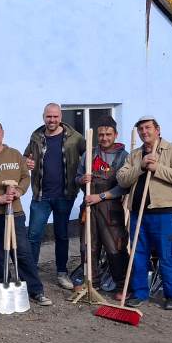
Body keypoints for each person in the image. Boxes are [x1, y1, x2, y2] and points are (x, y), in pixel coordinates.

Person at [0, 120, 51, 306]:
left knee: (22, 252)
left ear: (2, 133)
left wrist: (19, 191)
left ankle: (35, 290)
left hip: (14, 212)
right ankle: (2, 290)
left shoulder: (15, 154)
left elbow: (25, 176)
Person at [115, 115, 172, 309]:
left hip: (165, 213)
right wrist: (141, 167)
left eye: (148, 128)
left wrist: (157, 168)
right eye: (141, 129)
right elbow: (122, 179)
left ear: (157, 130)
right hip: (138, 213)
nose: (144, 132)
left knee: (168, 255)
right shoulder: (134, 155)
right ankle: (140, 293)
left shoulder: (171, 150)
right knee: (138, 255)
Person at [24, 103, 85, 290]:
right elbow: (26, 156)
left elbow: (88, 159)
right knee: (33, 235)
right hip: (41, 195)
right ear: (44, 117)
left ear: (60, 117)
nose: (52, 120)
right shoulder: (36, 137)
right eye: (49, 117)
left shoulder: (76, 138)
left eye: (55, 117)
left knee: (62, 235)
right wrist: (26, 161)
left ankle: (61, 272)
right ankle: (31, 274)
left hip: (65, 195)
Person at [74, 116, 129, 291]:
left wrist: (102, 196)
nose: (104, 138)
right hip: (89, 208)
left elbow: (124, 186)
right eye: (101, 135)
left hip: (110, 209)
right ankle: (92, 282)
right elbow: (76, 178)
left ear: (116, 135)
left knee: (115, 247)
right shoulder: (89, 155)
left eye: (108, 134)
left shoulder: (123, 157)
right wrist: (82, 179)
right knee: (88, 247)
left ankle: (122, 285)